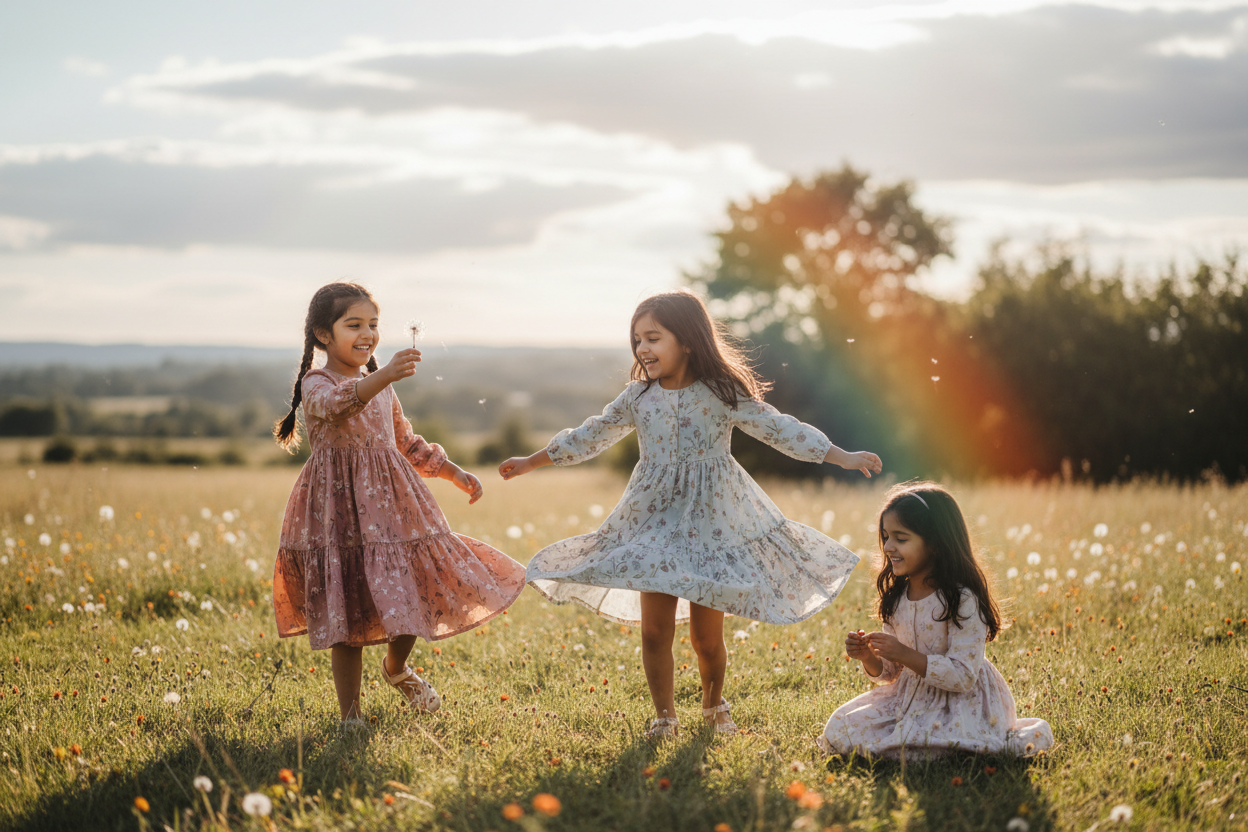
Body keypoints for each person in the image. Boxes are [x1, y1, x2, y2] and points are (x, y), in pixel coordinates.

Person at [500, 289, 881, 738]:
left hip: (711, 525)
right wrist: (532, 461)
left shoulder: (720, 392)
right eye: (637, 340)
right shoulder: (638, 397)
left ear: (686, 340)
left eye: (653, 338)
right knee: (654, 632)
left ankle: (714, 706)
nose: (642, 349)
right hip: (652, 522)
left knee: (706, 638)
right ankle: (664, 717)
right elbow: (591, 434)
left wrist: (840, 456)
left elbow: (778, 427)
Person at [272, 281, 526, 724]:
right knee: (347, 616)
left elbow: (407, 442)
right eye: (354, 325)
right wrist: (383, 375)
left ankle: (396, 667)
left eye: (373, 324)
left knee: (412, 590)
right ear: (323, 335)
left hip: (394, 512)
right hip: (339, 514)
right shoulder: (318, 382)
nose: (367, 334)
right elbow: (336, 406)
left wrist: (453, 472)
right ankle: (350, 717)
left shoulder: (382, 387)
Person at [819, 482, 1053, 759]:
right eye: (885, 537)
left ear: (935, 545)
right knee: (839, 727)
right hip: (909, 698)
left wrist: (904, 653)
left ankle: (935, 743)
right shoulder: (896, 599)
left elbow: (963, 676)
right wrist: (868, 657)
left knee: (924, 743)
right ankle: (915, 742)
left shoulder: (961, 599)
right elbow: (890, 673)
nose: (888, 547)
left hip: (961, 703)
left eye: (901, 538)